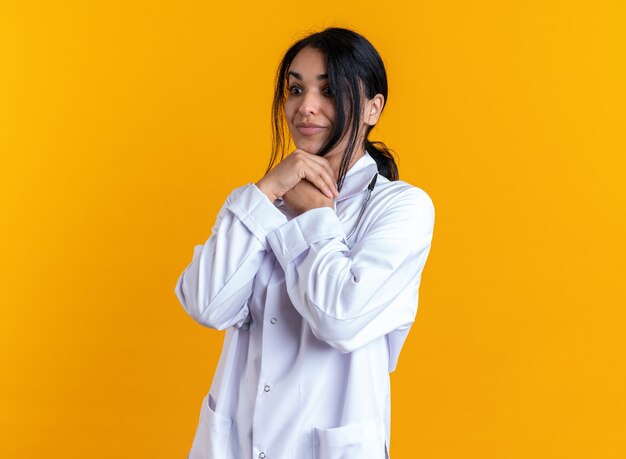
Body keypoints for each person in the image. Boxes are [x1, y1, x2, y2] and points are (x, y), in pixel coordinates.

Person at [174, 27, 435, 459]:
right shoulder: (262, 204)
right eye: (296, 89)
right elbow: (206, 304)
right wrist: (265, 190)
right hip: (236, 444)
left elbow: (340, 318)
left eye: (329, 90)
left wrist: (315, 215)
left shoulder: (403, 209)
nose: (306, 107)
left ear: (374, 108)